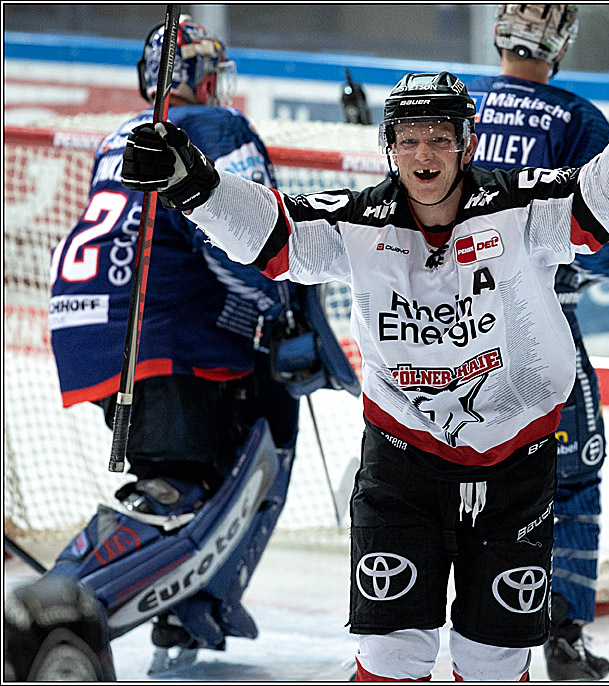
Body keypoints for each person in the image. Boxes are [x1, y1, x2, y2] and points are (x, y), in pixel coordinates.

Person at [119, 45, 609, 681]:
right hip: (401, 463)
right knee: (390, 654)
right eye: (409, 140)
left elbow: (599, 209)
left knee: (495, 659)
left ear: (467, 141)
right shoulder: (359, 219)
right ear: (390, 146)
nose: (424, 155)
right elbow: (273, 234)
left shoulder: (521, 206)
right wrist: (193, 185)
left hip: (515, 462)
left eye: (439, 138)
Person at [5, 18, 357, 680]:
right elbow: (237, 239)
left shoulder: (120, 135)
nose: (218, 87)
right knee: (173, 490)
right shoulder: (218, 130)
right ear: (196, 77)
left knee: (191, 474)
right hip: (161, 330)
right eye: (210, 73)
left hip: (97, 325)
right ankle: (55, 615)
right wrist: (274, 319)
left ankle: (187, 603)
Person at [467, 5, 609, 680]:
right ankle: (561, 634)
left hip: (444, 329)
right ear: (562, 40)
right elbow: (601, 243)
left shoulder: (453, 105)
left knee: (459, 472)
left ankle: (465, 622)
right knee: (574, 470)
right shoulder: (574, 120)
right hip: (536, 326)